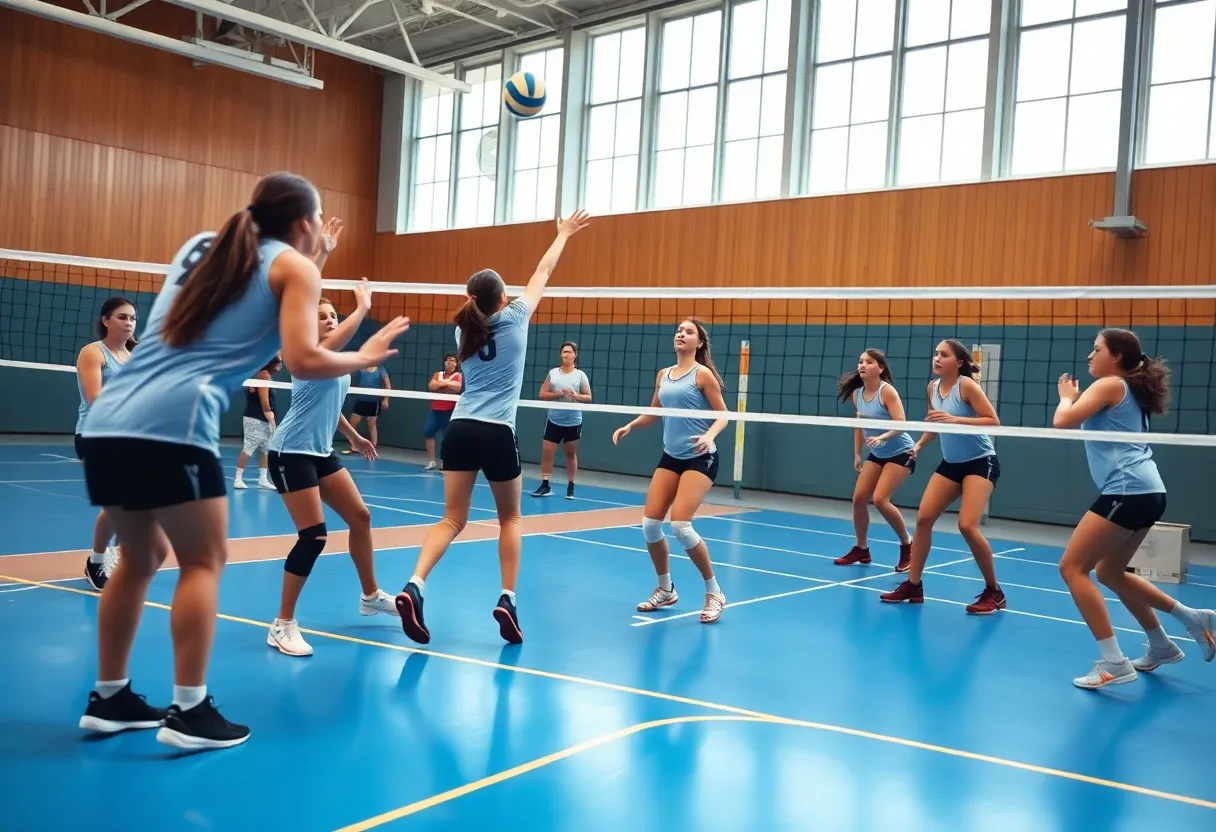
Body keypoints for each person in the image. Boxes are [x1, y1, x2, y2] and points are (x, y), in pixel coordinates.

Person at [76, 172, 409, 750]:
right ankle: (190, 711)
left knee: (140, 556)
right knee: (203, 561)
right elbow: (303, 358)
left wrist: (318, 261)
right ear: (305, 222)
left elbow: (269, 296)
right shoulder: (294, 268)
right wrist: (365, 352)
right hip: (172, 423)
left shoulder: (207, 244)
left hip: (109, 421)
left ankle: (109, 697)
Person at [394, 209, 592, 646]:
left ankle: (414, 585)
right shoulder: (517, 317)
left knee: (451, 518)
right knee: (511, 519)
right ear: (503, 297)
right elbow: (543, 270)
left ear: (470, 298)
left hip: (461, 428)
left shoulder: (461, 331)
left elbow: (478, 302)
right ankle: (507, 598)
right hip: (498, 431)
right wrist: (562, 235)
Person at [1054, 328, 1216, 689]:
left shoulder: (1110, 384)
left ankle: (1114, 662)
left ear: (1117, 357)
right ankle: (1173, 635)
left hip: (1126, 491)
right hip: (1148, 490)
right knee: (1110, 572)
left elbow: (1062, 421)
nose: (1089, 356)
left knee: (1072, 568)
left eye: (1096, 349)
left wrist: (1066, 397)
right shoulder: (1127, 387)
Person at [265, 286, 401, 657]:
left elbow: (329, 405)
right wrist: (363, 308)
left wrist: (354, 435)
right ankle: (282, 624)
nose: (329, 320)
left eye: (333, 317)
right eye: (322, 316)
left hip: (320, 452)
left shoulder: (336, 362)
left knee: (360, 516)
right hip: (290, 452)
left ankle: (371, 596)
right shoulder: (308, 355)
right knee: (313, 536)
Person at [612, 319, 730, 624]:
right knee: (650, 524)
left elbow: (724, 415)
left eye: (689, 331)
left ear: (699, 343)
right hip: (672, 456)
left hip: (700, 458)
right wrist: (630, 425)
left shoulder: (703, 375)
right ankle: (666, 589)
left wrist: (709, 436)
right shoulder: (663, 374)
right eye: (679, 330)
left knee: (680, 525)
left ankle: (714, 591)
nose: (681, 334)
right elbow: (655, 412)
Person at [880, 339, 1007, 615]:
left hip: (980, 462)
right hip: (951, 463)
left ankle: (994, 592)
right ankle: (913, 585)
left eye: (944, 355)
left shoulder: (967, 386)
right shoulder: (932, 387)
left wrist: (956, 420)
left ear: (959, 362)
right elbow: (936, 423)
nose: (937, 358)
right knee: (924, 519)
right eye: (935, 354)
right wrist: (920, 445)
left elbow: (993, 421)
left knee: (967, 526)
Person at [833, 349, 916, 569]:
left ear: (880, 368)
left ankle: (908, 544)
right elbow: (859, 426)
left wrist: (882, 437)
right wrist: (858, 453)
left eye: (868, 362)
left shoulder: (887, 392)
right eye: (860, 361)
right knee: (859, 498)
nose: (862, 365)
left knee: (880, 499)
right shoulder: (857, 394)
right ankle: (861, 549)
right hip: (877, 453)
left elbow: (901, 423)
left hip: (902, 452)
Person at [75, 296, 136, 590]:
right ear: (106, 321)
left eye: (133, 319)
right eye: (122, 317)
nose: (129, 323)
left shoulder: (136, 358)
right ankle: (97, 562)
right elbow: (95, 398)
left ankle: (122, 556)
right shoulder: (93, 353)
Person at [532, 341, 591, 499]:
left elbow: (588, 397)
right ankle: (545, 485)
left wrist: (575, 396)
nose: (566, 354)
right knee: (547, 452)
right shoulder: (553, 373)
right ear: (560, 354)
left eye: (569, 351)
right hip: (554, 420)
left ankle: (570, 486)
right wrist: (558, 394)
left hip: (573, 421)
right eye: (564, 351)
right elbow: (542, 394)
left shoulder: (580, 375)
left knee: (570, 454)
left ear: (575, 355)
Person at [233, 354, 281, 490]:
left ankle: (263, 479)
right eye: (279, 362)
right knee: (249, 446)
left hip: (262, 418)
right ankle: (238, 479)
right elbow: (264, 401)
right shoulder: (263, 375)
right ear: (273, 364)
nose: (281, 365)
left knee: (265, 449)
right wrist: (271, 418)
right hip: (256, 417)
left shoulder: (263, 374)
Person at [423, 353, 462, 470]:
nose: (450, 362)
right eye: (448, 360)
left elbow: (457, 388)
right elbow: (432, 386)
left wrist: (441, 384)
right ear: (444, 362)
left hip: (449, 412)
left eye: (453, 361)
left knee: (447, 438)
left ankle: (444, 463)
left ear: (456, 364)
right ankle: (431, 461)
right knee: (428, 433)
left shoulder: (457, 375)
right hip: (435, 410)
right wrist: (446, 386)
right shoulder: (437, 374)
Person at [345, 363, 391, 451]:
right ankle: (354, 446)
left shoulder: (380, 369)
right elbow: (351, 371)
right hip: (361, 401)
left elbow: (387, 385)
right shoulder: (362, 367)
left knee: (371, 425)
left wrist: (386, 399)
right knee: (352, 423)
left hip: (374, 402)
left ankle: (373, 447)